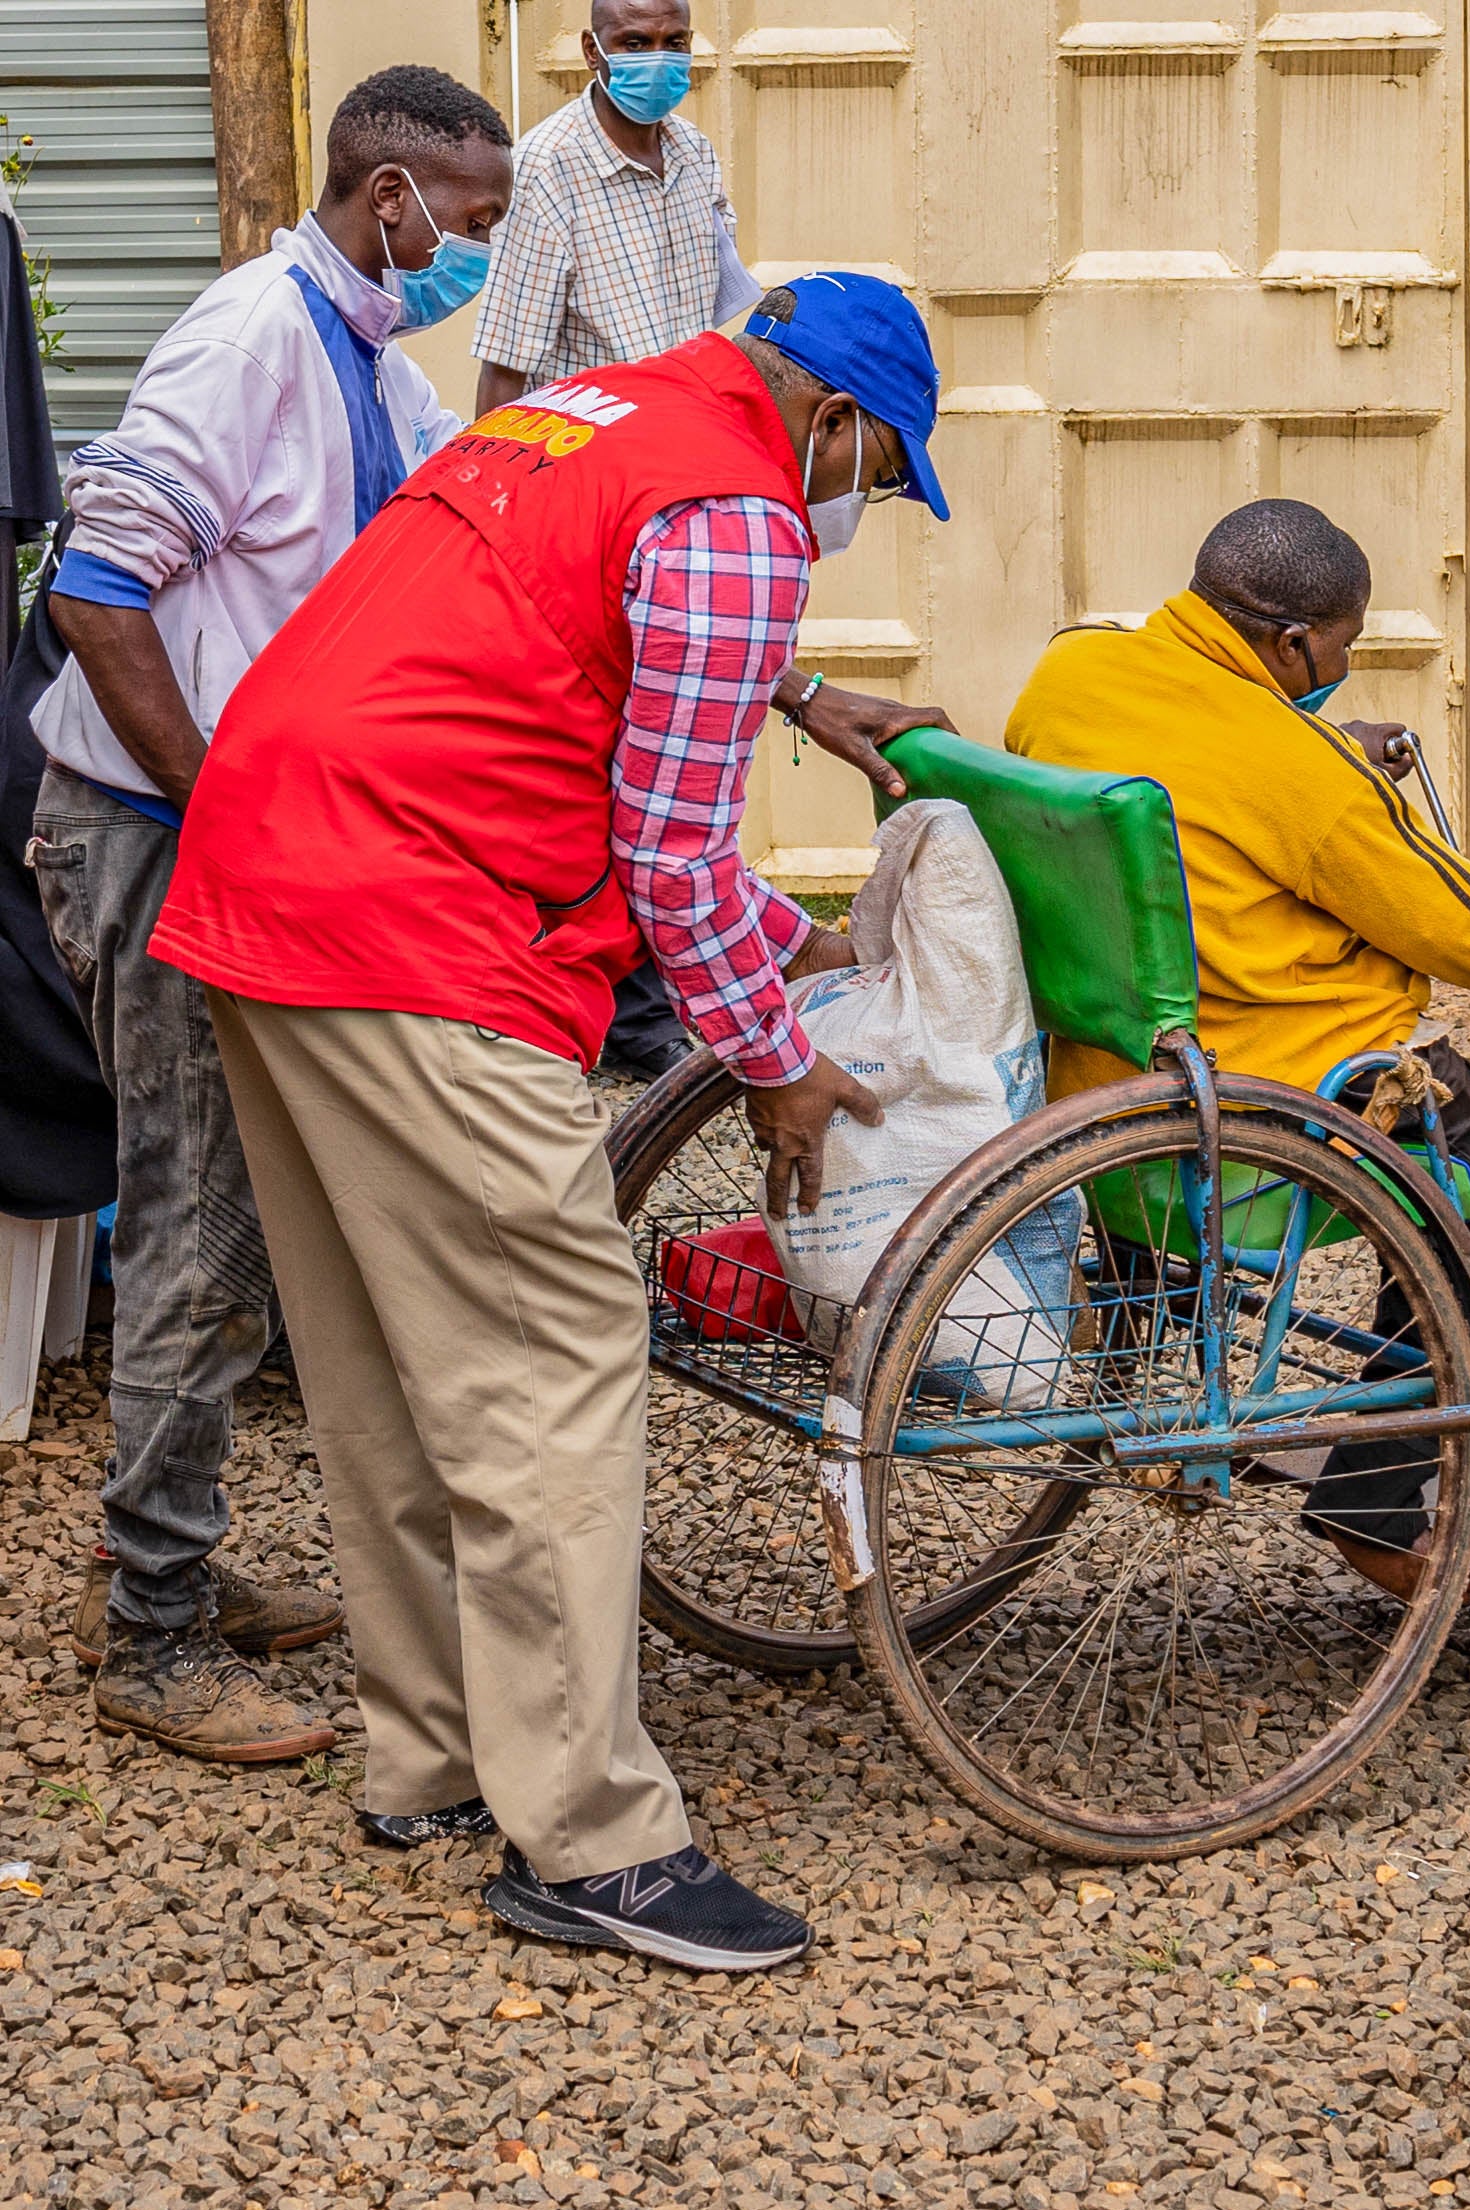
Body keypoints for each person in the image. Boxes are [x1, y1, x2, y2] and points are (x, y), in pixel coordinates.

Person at [149, 274, 950, 1971]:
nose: (859, 506)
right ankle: (591, 1837)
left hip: (264, 871)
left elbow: (566, 707)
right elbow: (666, 854)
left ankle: (436, 1753)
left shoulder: (575, 417)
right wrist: (772, 1055)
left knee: (385, 1351)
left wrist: (781, 926)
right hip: (419, 921)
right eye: (880, 474)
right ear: (839, 421)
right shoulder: (743, 507)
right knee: (553, 1347)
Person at [25, 66, 514, 1768]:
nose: (480, 255)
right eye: (473, 222)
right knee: (199, 1223)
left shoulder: (373, 350)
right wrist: (226, 796)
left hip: (240, 835)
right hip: (156, 836)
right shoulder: (252, 341)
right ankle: (152, 1636)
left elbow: (466, 524)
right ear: (392, 200)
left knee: (239, 1215)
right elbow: (92, 590)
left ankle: (175, 1554)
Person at [1006, 500, 1470, 1602]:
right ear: (1294, 641)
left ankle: (1390, 1498)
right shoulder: (1293, 768)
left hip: (1101, 1069)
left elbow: (1208, 763)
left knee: (1461, 1201)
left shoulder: (1071, 678)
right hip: (1275, 1080)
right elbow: (1455, 922)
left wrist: (1320, 748)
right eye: (1340, 649)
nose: (1337, 669)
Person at [472, 0, 764, 1080]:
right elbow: (505, 366)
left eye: (671, 40)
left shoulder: (694, 155)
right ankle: (626, 1015)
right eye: (633, 43)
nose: (656, 61)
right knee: (602, 751)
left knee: (683, 739)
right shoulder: (549, 168)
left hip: (692, 482)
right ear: (591, 51)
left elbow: (729, 305)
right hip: (591, 497)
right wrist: (496, 516)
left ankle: (676, 986)